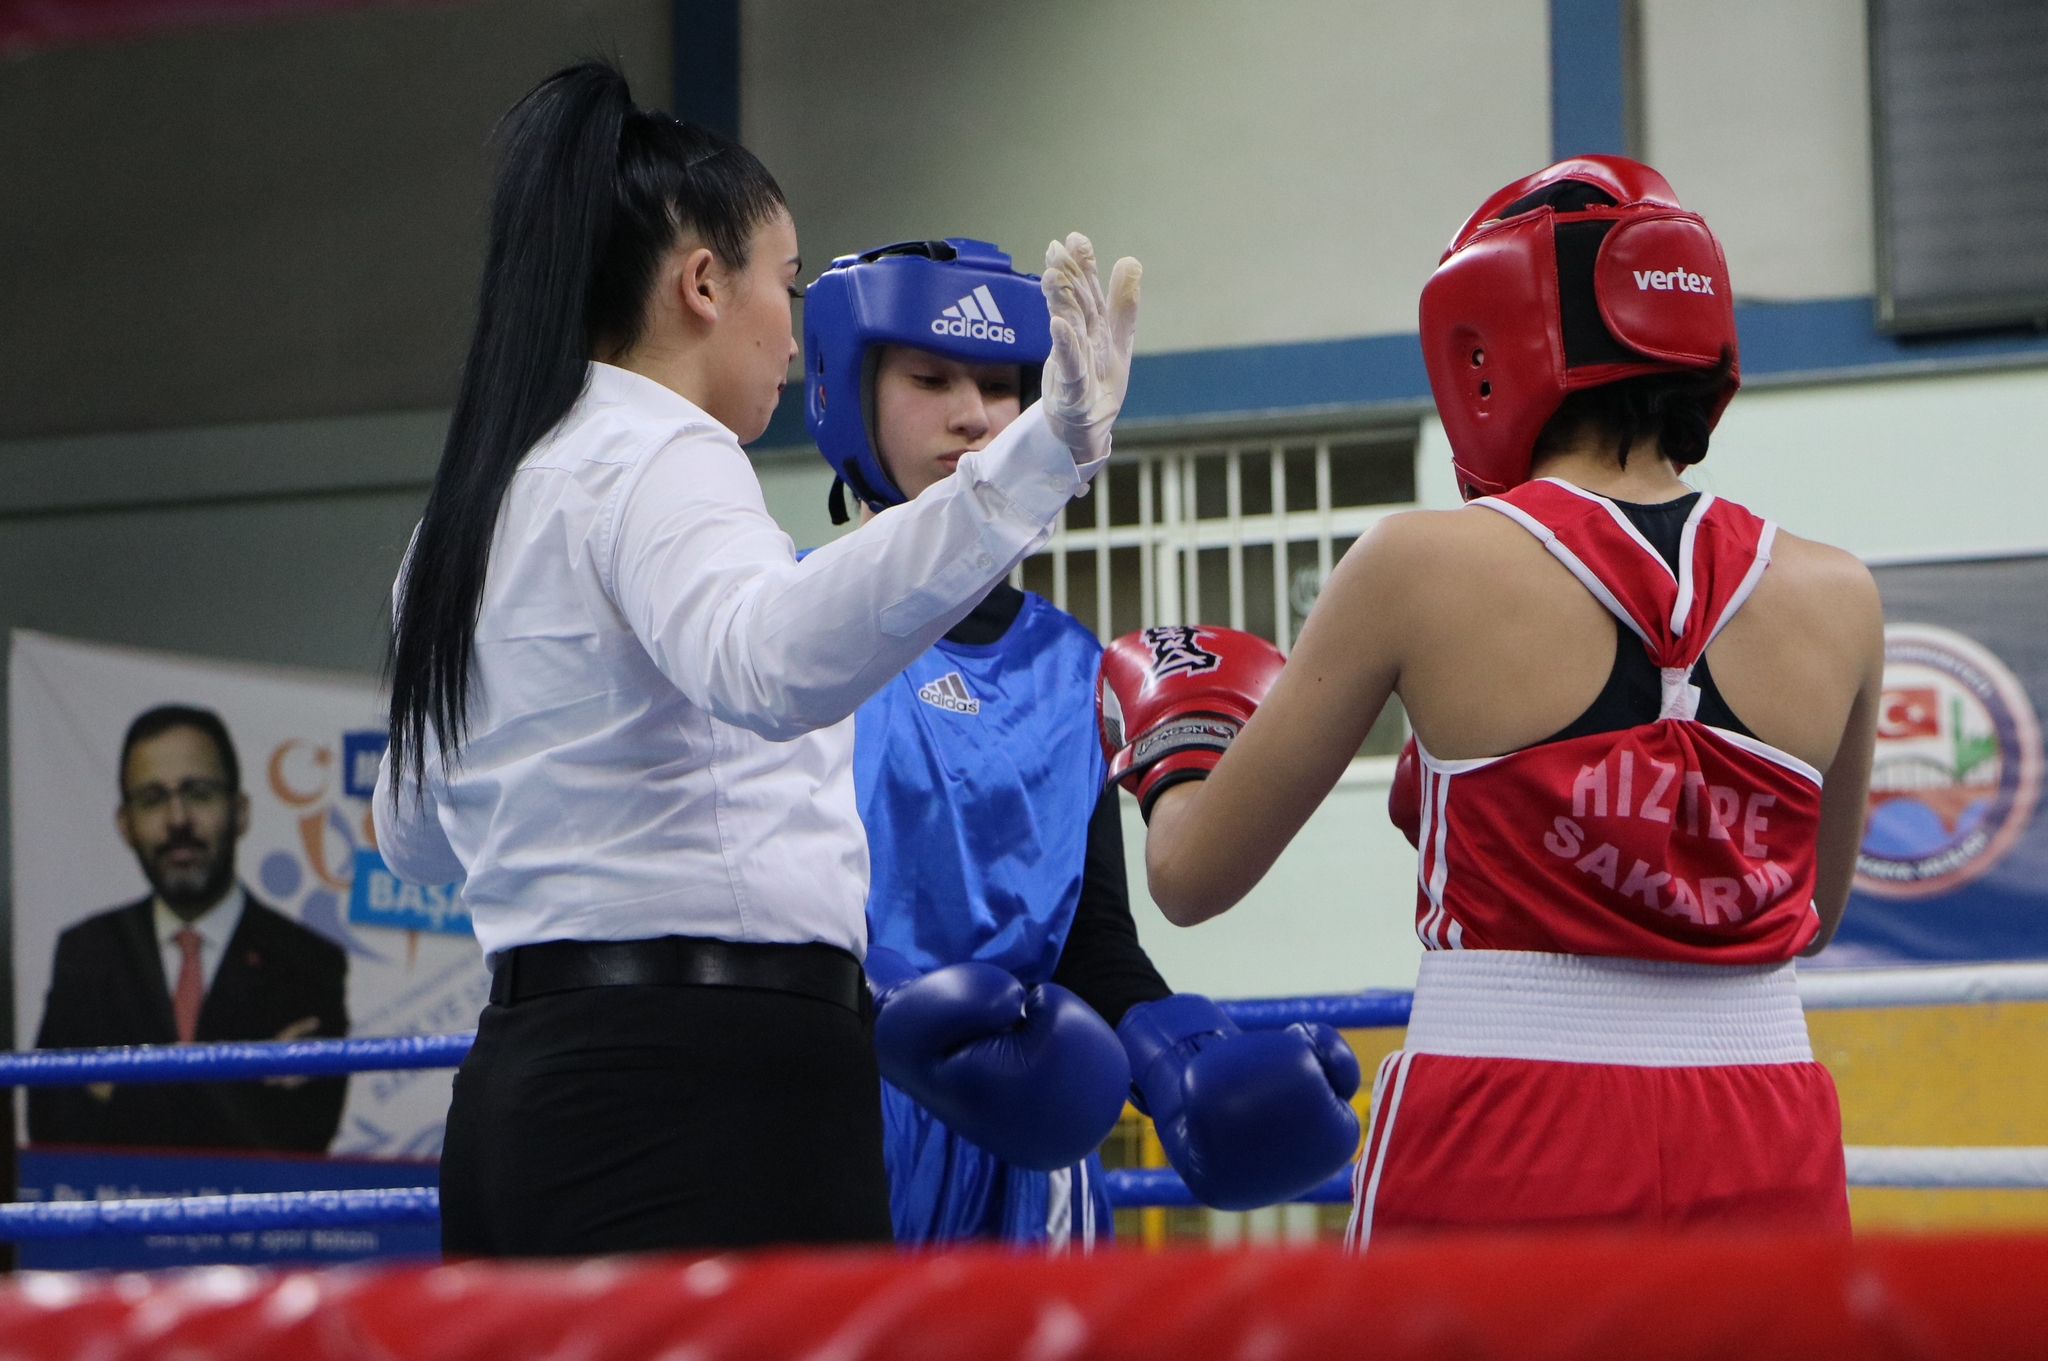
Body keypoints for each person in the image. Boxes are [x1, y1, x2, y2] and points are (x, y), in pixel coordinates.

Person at [370, 62, 1141, 1257]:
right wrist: (1040, 453)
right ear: (700, 284)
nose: (790, 333)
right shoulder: (660, 451)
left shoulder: (470, 506)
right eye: (783, 283)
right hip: (702, 1087)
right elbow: (772, 664)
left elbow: (414, 833)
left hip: (529, 1080)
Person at [1105, 156, 1880, 1243]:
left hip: (1508, 1118)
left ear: (1486, 344)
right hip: (1765, 1127)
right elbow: (1811, 914)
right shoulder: (1839, 594)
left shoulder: (1417, 565)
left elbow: (1190, 879)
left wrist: (1181, 743)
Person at [807, 239, 1363, 1247]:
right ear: (851, 397)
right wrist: (891, 1005)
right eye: (930, 380)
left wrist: (1180, 1057)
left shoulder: (1068, 665)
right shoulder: (786, 624)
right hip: (839, 1118)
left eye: (998, 386)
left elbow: (1090, 938)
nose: (973, 415)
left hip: (1033, 1138)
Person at [31, 705, 349, 1153]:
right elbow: (52, 1130)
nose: (177, 818)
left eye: (198, 793)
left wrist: (117, 1091)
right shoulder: (87, 953)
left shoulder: (308, 963)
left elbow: (298, 1140)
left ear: (240, 812)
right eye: (152, 798)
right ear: (125, 825)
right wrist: (246, 1083)